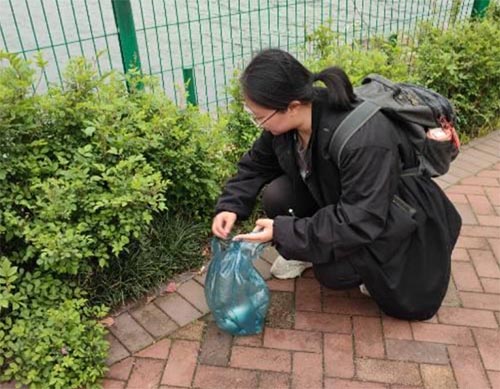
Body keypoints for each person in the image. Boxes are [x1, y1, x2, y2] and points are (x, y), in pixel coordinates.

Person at [212, 48, 461, 320]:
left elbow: (359, 218)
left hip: (398, 213)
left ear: (293, 106)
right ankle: (314, 249)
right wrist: (230, 206)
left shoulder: (362, 138)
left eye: (261, 117)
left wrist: (283, 232)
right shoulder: (286, 127)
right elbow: (256, 164)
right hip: (354, 201)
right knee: (278, 196)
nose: (259, 124)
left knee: (334, 274)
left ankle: (365, 266)